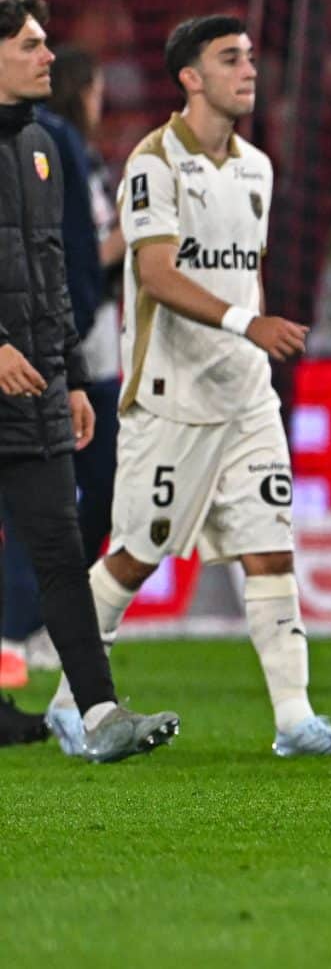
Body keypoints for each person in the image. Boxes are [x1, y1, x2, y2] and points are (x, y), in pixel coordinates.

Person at [39, 16, 331, 759]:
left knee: (271, 547)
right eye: (230, 59)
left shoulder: (257, 166)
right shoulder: (153, 162)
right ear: (190, 76)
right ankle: (70, 702)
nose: (248, 70)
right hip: (172, 395)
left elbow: (236, 267)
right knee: (135, 552)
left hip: (247, 395)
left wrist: (248, 340)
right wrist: (245, 323)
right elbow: (154, 272)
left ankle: (295, 718)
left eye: (251, 56)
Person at [0, 0, 179, 763]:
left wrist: (71, 374)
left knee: (61, 546)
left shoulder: (44, 143)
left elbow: (50, 270)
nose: (50, 56)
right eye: (33, 44)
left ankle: (99, 713)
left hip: (35, 383)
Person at [1, 46, 116, 688]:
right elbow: (70, 250)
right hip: (62, 340)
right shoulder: (55, 141)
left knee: (53, 497)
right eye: (27, 44)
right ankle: (22, 628)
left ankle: (36, 635)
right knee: (63, 490)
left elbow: (47, 253)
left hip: (59, 344)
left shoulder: (51, 143)